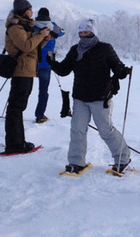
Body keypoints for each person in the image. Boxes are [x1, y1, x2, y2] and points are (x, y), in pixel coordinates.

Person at [50, 19, 131, 175]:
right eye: (81, 32)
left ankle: (123, 159)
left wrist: (121, 70)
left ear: (93, 32)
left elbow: (116, 65)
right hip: (80, 97)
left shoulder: (105, 49)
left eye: (86, 32)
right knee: (77, 130)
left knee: (106, 131)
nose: (83, 35)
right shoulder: (75, 50)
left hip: (100, 97)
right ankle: (76, 162)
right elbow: (64, 70)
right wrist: (52, 63)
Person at [3, 0, 51, 153]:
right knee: (15, 108)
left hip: (28, 70)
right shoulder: (15, 28)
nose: (32, 12)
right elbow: (25, 46)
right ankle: (14, 144)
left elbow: (33, 48)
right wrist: (39, 36)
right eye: (30, 9)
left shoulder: (24, 27)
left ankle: (18, 141)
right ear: (24, 11)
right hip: (21, 71)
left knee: (19, 107)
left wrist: (43, 39)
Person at [33, 7, 65, 124]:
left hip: (31, 61)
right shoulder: (53, 26)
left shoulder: (34, 26)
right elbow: (63, 32)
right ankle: (40, 115)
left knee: (24, 88)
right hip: (46, 62)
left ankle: (16, 113)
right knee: (43, 91)